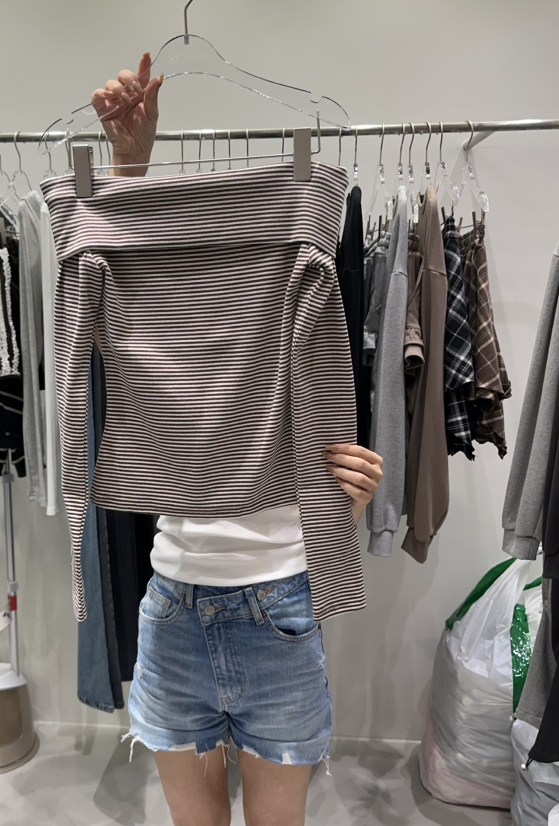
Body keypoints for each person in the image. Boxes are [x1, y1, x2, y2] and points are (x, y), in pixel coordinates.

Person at [90, 55, 385, 826]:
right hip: (173, 604)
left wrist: (344, 505)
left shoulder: (305, 308)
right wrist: (129, 168)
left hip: (279, 605)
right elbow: (125, 294)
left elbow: (323, 466)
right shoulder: (165, 335)